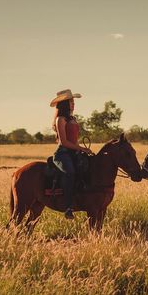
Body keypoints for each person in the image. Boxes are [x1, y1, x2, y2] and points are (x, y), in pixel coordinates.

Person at [50, 89, 93, 220]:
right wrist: (81, 148)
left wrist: (80, 149)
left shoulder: (72, 118)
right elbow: (64, 142)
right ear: (64, 104)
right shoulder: (60, 119)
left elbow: (73, 138)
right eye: (71, 102)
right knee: (70, 172)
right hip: (62, 153)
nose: (73, 104)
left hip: (74, 152)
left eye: (73, 102)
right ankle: (68, 206)